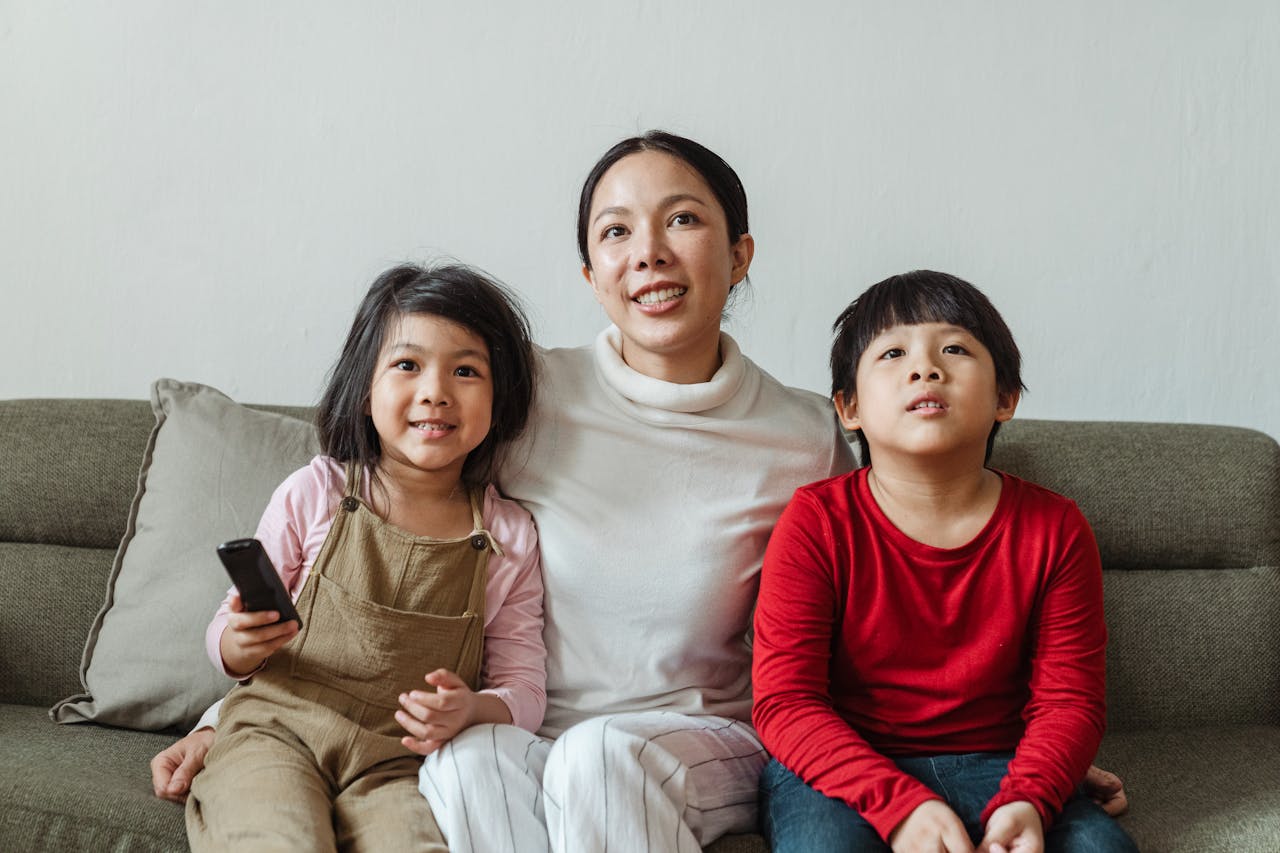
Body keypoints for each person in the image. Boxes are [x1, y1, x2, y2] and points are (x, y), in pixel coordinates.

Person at [151, 134, 1128, 850]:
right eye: (615, 231)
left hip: (702, 737)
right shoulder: (520, 394)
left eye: (683, 220)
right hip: (527, 728)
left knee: (600, 756)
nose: (648, 251)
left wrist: (1008, 762)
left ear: (739, 254)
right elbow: (368, 539)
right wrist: (222, 720)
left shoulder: (805, 427)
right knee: (459, 763)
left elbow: (886, 598)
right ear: (589, 272)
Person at [752, 271, 1137, 853]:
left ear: (1005, 398)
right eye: (892, 353)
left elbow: (1069, 701)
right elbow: (785, 703)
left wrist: (1030, 796)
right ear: (848, 407)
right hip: (844, 771)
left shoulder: (1055, 528)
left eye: (954, 349)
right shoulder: (816, 522)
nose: (925, 368)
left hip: (1003, 768)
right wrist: (901, 808)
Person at [182, 263, 546, 852]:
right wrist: (236, 644)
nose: (436, 390)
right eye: (407, 365)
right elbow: (226, 627)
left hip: (397, 768)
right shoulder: (316, 491)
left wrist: (474, 709)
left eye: (466, 370)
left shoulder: (510, 535)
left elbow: (525, 689)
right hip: (275, 733)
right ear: (364, 389)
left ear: (501, 400)